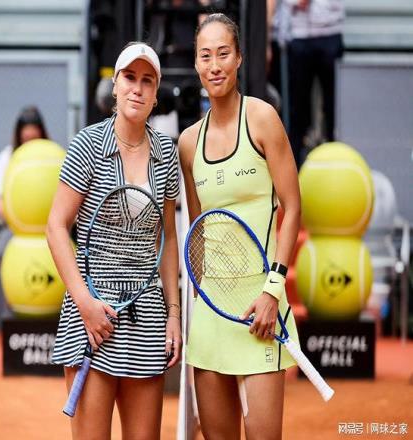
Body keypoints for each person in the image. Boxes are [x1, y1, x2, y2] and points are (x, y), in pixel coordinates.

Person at [46, 42, 181, 439]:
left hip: (147, 316)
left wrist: (173, 314)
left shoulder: (167, 154)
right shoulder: (86, 145)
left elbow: (167, 237)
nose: (137, 88)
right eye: (130, 78)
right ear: (116, 85)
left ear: (155, 95)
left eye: (147, 81)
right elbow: (56, 227)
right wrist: (85, 304)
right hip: (91, 316)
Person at [179, 14, 301, 440]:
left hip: (262, 309)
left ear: (239, 58)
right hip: (212, 314)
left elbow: (292, 206)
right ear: (196, 64)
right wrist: (201, 300)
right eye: (205, 56)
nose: (214, 65)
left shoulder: (263, 118)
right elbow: (197, 228)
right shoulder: (188, 143)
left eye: (223, 54)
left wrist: (273, 290)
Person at [285, 0, 345, 167]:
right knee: (297, 107)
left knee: (333, 106)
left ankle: (337, 162)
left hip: (330, 32)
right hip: (299, 35)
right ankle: (294, 167)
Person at [0, 106, 49, 219]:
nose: (30, 144)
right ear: (19, 137)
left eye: (34, 139)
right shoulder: (7, 156)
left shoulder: (52, 157)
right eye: (26, 139)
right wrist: (17, 219)